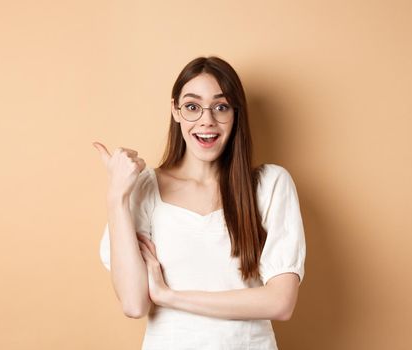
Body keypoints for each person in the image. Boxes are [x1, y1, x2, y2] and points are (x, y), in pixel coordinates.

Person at [92, 56, 306, 350]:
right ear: (175, 111)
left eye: (221, 107)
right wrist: (117, 196)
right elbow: (133, 303)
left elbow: (281, 302)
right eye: (192, 107)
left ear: (235, 114)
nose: (207, 120)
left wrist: (170, 296)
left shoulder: (270, 184)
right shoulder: (145, 189)